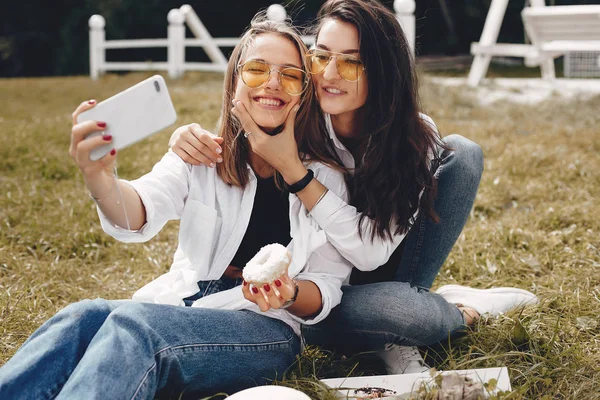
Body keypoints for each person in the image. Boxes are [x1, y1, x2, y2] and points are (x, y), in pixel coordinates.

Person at [169, 0, 539, 375]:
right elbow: (238, 125)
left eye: (351, 62)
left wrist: (296, 172)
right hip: (318, 293)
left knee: (463, 154)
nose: (330, 74)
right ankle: (450, 314)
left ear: (382, 71)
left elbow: (371, 253)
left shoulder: (411, 137)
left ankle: (416, 319)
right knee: (398, 311)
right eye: (321, 57)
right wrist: (187, 136)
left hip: (377, 264)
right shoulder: (297, 114)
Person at [0, 17, 355, 399]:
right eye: (256, 70)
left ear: (304, 91)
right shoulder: (202, 154)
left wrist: (288, 292)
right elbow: (138, 212)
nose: (271, 83)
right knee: (82, 317)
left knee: (138, 328)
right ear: (234, 81)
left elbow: (327, 286)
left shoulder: (324, 177)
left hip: (266, 328)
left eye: (289, 75)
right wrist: (99, 176)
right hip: (188, 305)